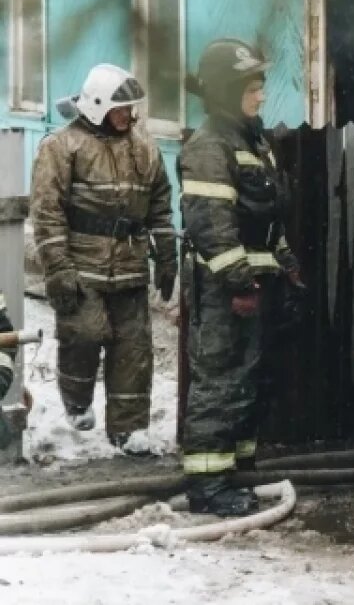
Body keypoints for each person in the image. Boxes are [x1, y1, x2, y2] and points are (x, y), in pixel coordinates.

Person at [177, 38, 301, 516]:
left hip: (256, 280)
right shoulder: (210, 145)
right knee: (221, 380)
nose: (262, 96)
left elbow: (271, 218)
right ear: (228, 92)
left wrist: (286, 266)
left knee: (250, 379)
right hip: (225, 288)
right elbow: (211, 224)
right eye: (253, 87)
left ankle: (237, 471)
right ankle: (208, 485)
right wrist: (239, 284)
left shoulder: (253, 140)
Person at [30, 65, 177, 455]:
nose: (127, 116)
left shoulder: (144, 147)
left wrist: (166, 255)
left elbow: (161, 205)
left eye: (130, 109)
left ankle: (128, 430)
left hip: (130, 266)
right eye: (120, 108)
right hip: (82, 267)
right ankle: (76, 399)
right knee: (85, 333)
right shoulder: (62, 147)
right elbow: (47, 212)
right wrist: (58, 268)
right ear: (96, 107)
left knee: (134, 348)